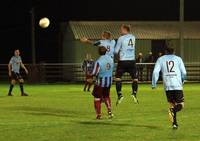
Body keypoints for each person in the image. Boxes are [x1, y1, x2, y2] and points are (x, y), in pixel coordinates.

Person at [152, 46, 186, 129]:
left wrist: (154, 84)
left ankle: (174, 123)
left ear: (165, 51)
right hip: (177, 84)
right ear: (174, 52)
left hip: (167, 85)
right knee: (181, 104)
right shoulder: (178, 59)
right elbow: (184, 72)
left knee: (172, 104)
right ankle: (173, 114)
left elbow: (155, 72)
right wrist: (183, 79)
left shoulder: (161, 59)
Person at [115, 24, 139, 105]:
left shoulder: (121, 38)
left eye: (121, 29)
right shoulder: (133, 37)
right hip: (132, 61)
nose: (120, 31)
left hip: (123, 61)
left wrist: (116, 56)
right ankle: (134, 94)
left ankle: (120, 95)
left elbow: (116, 51)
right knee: (135, 79)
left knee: (118, 78)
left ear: (125, 29)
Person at [92, 46, 114, 119]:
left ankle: (98, 114)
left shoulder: (98, 61)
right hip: (108, 81)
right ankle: (109, 110)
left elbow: (95, 72)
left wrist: (91, 76)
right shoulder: (111, 59)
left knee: (97, 98)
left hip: (100, 82)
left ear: (99, 52)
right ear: (106, 51)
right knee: (106, 96)